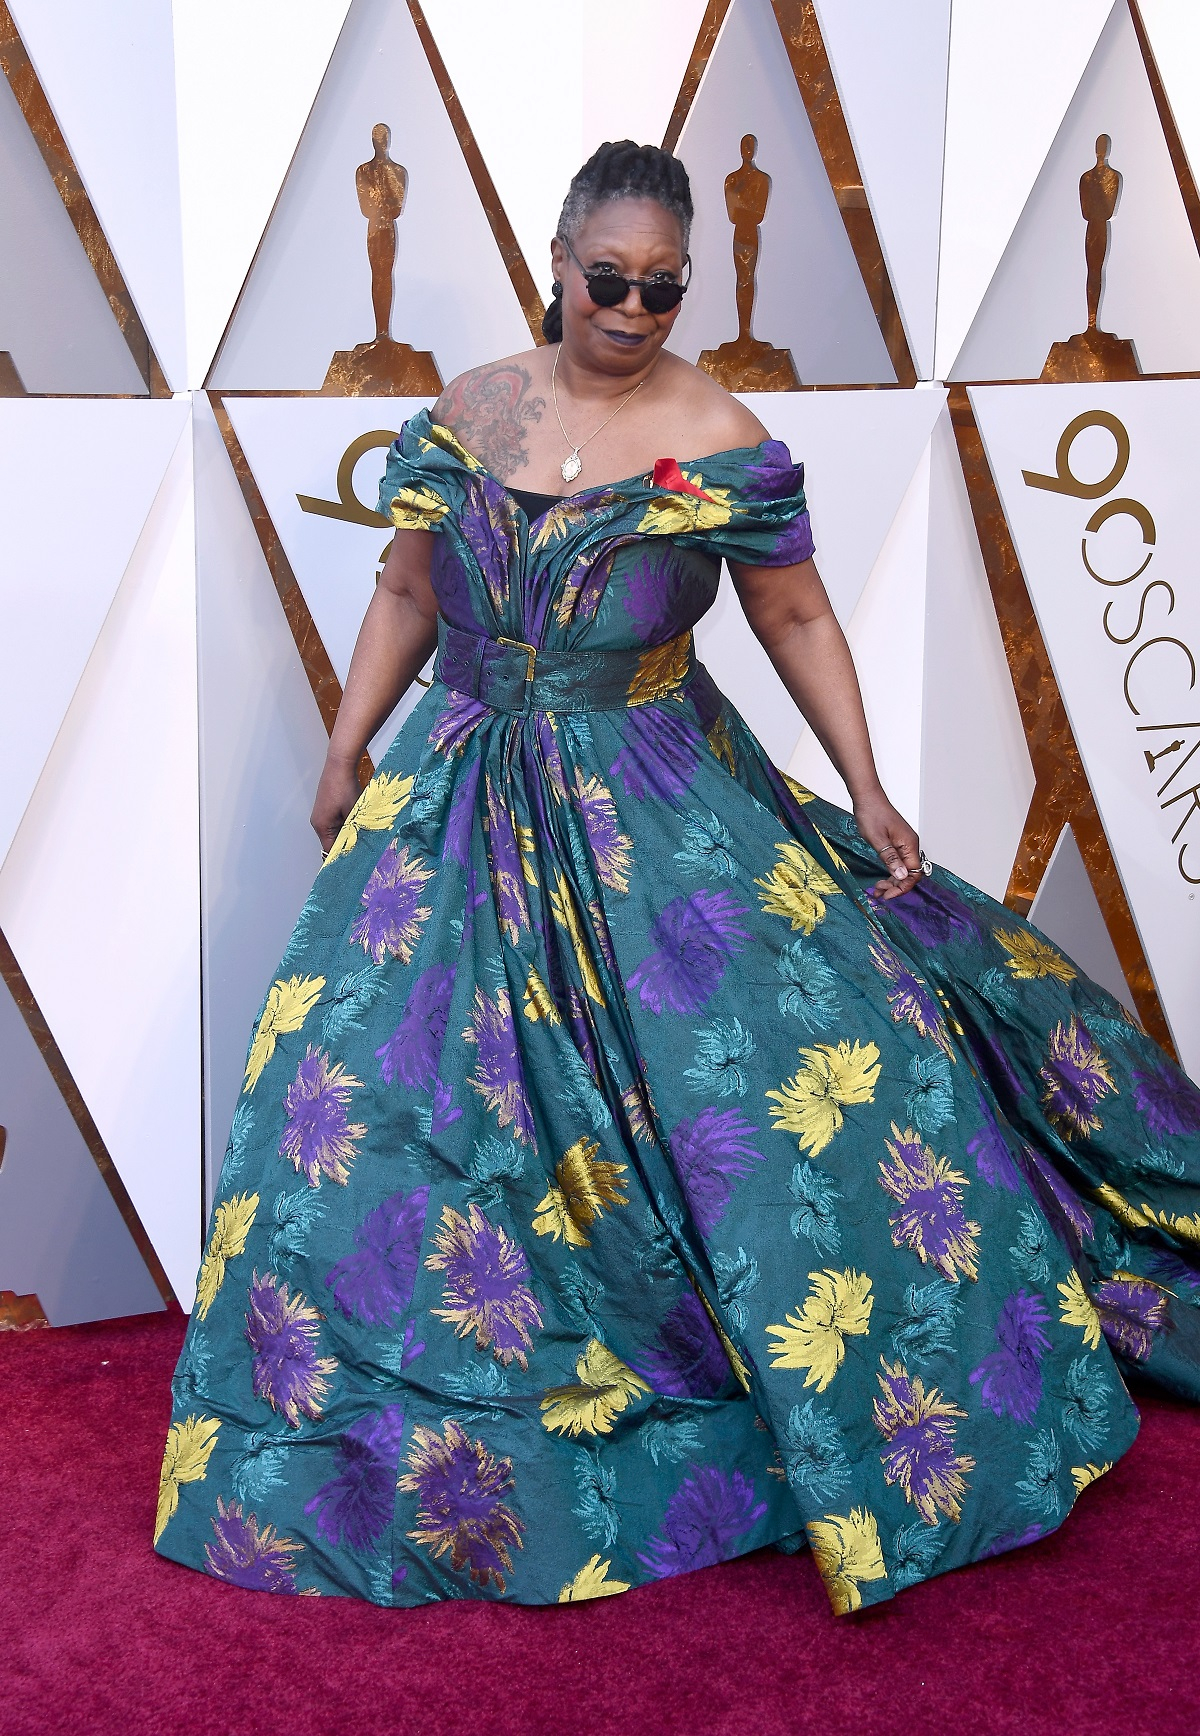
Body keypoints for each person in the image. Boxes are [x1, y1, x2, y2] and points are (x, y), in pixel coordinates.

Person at [157, 142, 1200, 1615]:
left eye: (663, 285)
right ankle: (383, 1419)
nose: (635, 308)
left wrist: (870, 786)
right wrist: (346, 749)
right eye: (611, 281)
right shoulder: (470, 412)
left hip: (650, 796)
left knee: (777, 1088)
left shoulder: (718, 433)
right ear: (559, 262)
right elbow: (404, 590)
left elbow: (797, 620)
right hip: (456, 788)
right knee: (369, 1082)